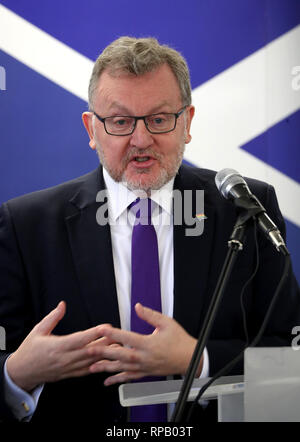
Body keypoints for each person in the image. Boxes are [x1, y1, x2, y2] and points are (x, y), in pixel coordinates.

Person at [0, 36, 299, 423]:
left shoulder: (247, 210)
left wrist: (198, 358)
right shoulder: (27, 226)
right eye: (121, 122)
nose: (141, 141)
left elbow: (289, 364)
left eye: (159, 119)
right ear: (92, 129)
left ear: (187, 123)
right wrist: (17, 374)